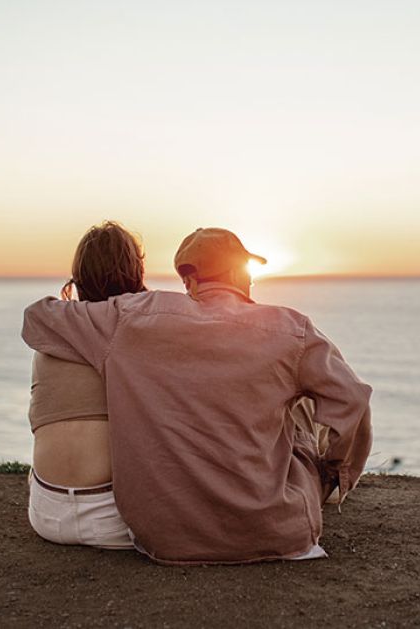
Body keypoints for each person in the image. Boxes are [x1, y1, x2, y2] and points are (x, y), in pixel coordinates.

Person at [21, 227, 373, 565]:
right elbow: (351, 400)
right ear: (239, 272)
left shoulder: (134, 319)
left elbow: (38, 318)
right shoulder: (291, 329)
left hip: (163, 539)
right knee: (298, 406)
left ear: (188, 280)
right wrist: (334, 473)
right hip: (278, 529)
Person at [26, 221, 147, 550]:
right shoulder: (140, 334)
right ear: (136, 272)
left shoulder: (50, 335)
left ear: (78, 278)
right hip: (115, 520)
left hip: (45, 513)